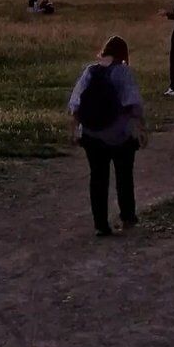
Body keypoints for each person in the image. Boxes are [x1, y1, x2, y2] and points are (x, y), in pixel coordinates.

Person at [67, 36, 146, 237]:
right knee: (124, 177)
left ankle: (100, 224)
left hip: (92, 135)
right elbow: (133, 105)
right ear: (123, 54)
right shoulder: (123, 72)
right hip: (120, 135)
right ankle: (127, 217)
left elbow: (75, 104)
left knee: (98, 178)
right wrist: (141, 129)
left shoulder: (90, 71)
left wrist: (76, 129)